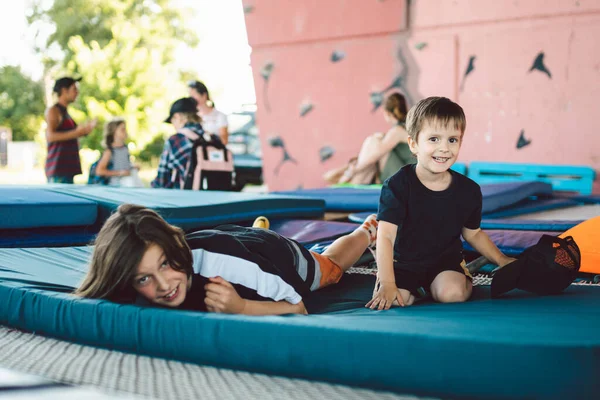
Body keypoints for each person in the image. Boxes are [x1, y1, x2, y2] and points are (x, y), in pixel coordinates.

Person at [75, 204, 379, 315]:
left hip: (280, 258)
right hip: (240, 244)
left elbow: (297, 306)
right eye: (144, 278)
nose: (164, 284)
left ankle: (366, 230)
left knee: (330, 267)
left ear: (174, 249)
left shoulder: (220, 264)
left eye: (165, 264)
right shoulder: (127, 282)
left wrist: (242, 307)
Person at [367, 96, 516, 310]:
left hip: (444, 263)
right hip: (405, 264)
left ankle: (460, 277)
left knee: (451, 294)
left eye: (452, 140)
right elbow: (386, 236)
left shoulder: (469, 191)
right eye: (434, 139)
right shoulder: (397, 186)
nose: (444, 148)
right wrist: (387, 283)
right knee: (397, 300)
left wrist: (501, 260)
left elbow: (472, 233)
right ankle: (414, 290)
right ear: (413, 144)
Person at [323, 92, 412, 185]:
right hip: (405, 173)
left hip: (407, 179)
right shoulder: (403, 129)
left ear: (387, 113)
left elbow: (375, 156)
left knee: (373, 142)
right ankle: (355, 179)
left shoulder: (397, 131)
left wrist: (351, 171)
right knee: (376, 139)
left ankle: (355, 180)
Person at [45, 77, 97, 183]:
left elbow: (72, 134)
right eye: (74, 89)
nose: (77, 92)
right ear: (64, 91)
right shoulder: (54, 111)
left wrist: (85, 130)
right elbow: (50, 136)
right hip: (58, 169)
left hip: (67, 170)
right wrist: (77, 132)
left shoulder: (66, 113)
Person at [94, 118, 142, 187]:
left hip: (126, 180)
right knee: (129, 182)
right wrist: (121, 173)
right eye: (122, 129)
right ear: (114, 132)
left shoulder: (125, 148)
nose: (125, 131)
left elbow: (123, 165)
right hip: (116, 183)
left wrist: (132, 167)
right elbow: (99, 171)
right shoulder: (109, 151)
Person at [188, 80, 229, 145]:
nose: (191, 98)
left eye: (194, 95)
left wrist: (208, 136)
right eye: (190, 95)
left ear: (204, 95)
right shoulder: (191, 118)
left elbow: (224, 141)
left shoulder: (219, 116)